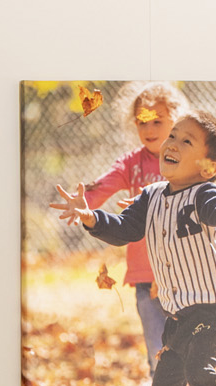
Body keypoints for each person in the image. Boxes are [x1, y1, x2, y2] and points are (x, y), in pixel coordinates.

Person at [50, 110, 216, 386]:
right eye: (172, 136)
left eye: (186, 141)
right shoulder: (151, 196)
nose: (172, 143)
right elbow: (125, 229)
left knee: (199, 371)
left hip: (213, 313)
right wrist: (92, 218)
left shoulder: (203, 195)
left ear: (208, 168)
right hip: (178, 320)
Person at [80, 82, 188, 371]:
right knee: (158, 352)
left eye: (157, 121)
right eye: (142, 122)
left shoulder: (188, 160)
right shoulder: (132, 164)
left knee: (189, 352)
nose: (149, 129)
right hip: (145, 274)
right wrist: (82, 203)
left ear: (176, 120)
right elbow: (104, 185)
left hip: (184, 274)